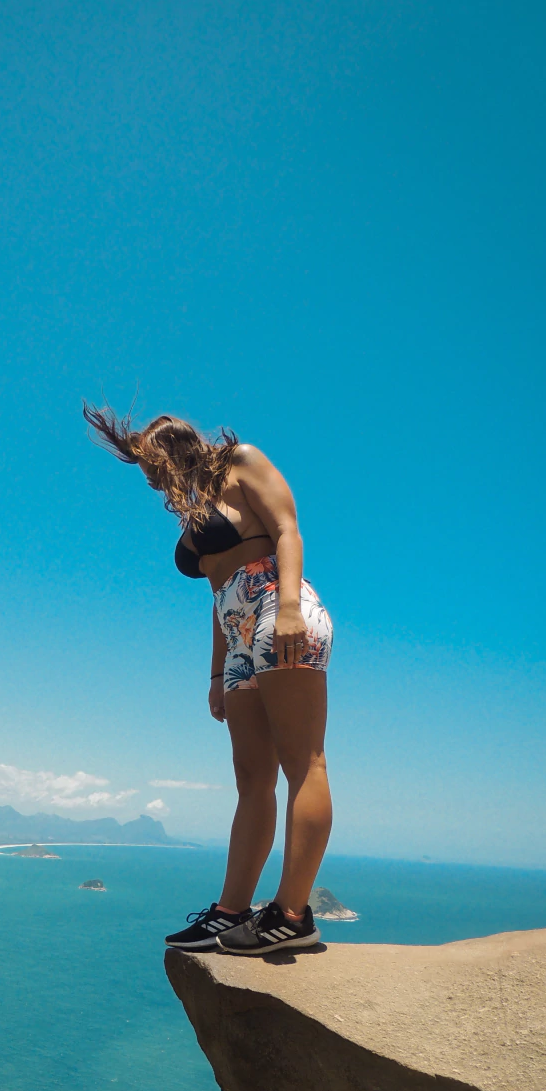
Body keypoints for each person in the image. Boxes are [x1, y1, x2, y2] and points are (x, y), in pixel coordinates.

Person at [84, 403, 333, 956]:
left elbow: (287, 529)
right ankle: (230, 912)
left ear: (175, 448)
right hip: (237, 626)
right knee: (252, 780)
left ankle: (293, 914)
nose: (150, 481)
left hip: (277, 606)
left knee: (302, 763)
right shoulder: (196, 508)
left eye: (152, 467)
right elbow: (217, 593)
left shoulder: (242, 463)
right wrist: (218, 671)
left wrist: (288, 606)